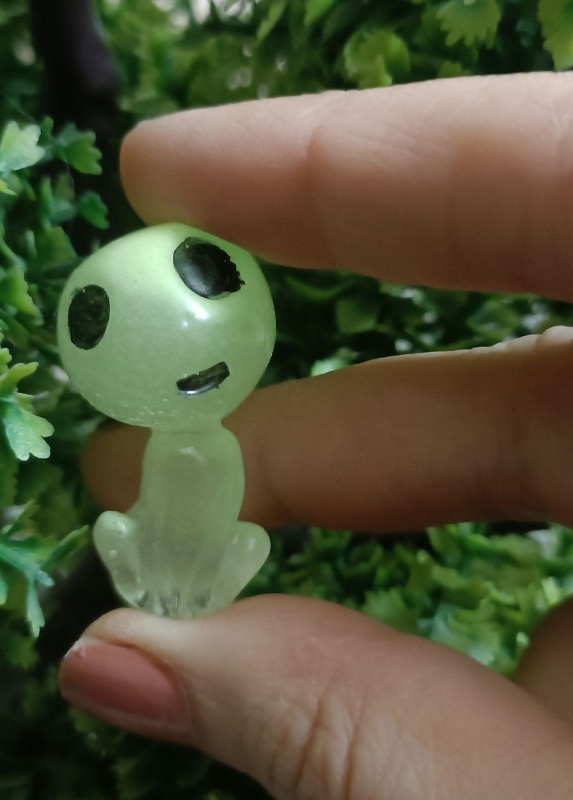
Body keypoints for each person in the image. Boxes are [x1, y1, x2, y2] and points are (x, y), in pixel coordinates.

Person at [59, 73, 573, 799]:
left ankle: (183, 600)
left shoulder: (218, 441)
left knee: (243, 538)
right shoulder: (185, 438)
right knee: (128, 525)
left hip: (202, 569)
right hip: (151, 563)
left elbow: (224, 515)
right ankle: (166, 595)